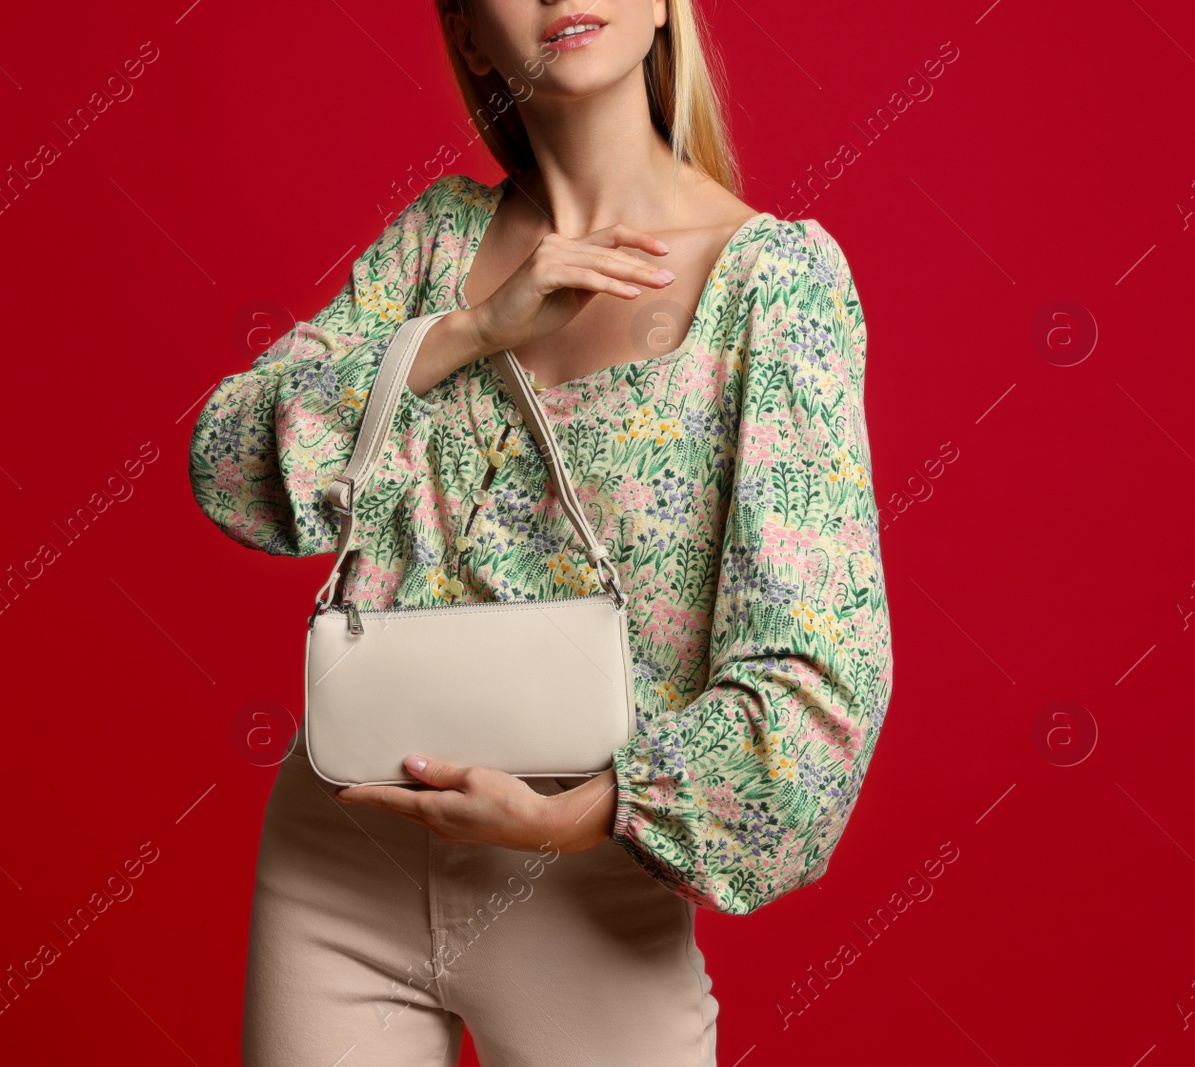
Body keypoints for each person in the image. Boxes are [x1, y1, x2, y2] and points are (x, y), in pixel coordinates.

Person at [187, 1, 893, 1063]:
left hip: (584, 887)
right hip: (341, 856)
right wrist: (469, 332)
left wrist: (572, 820)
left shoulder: (771, 285)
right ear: (471, 33)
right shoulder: (435, 243)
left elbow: (818, 685)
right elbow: (229, 469)